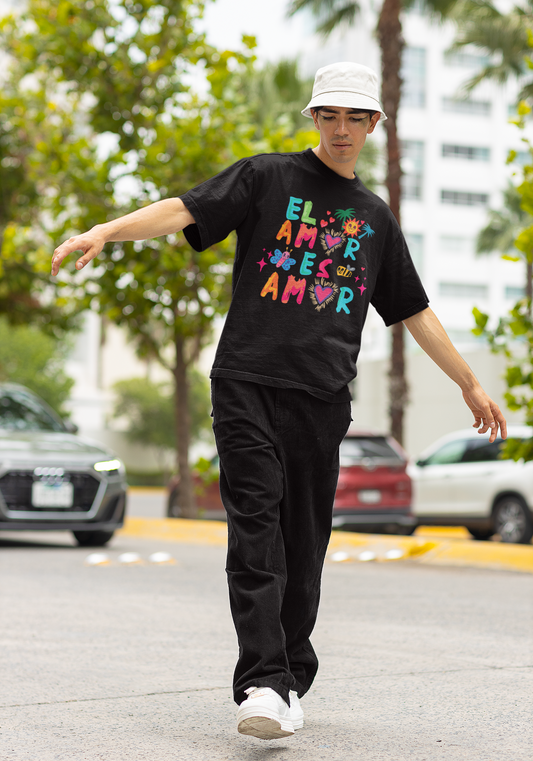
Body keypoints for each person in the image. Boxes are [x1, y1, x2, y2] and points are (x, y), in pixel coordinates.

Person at [51, 61, 507, 741]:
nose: (342, 129)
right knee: (255, 529)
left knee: (304, 544)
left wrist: (467, 381)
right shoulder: (266, 177)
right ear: (314, 118)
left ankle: (290, 673)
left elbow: (412, 310)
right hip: (245, 382)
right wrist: (104, 231)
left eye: (356, 118)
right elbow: (184, 208)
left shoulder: (374, 219)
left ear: (374, 125)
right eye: (330, 116)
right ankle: (262, 682)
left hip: (321, 398)